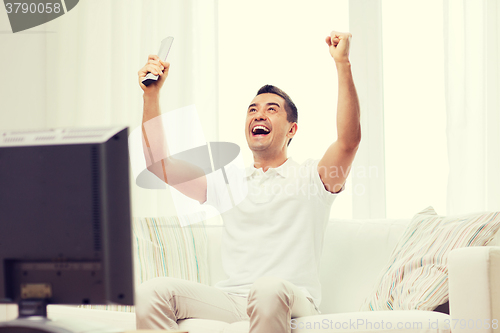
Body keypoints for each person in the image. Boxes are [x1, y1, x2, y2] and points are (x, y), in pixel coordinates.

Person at [135, 30, 361, 333]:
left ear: (292, 129)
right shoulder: (227, 183)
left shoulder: (313, 178)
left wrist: (342, 63)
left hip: (291, 299)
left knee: (267, 289)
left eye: (271, 110)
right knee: (153, 291)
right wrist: (151, 94)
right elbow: (159, 165)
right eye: (252, 110)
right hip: (233, 300)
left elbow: (348, 142)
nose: (259, 115)